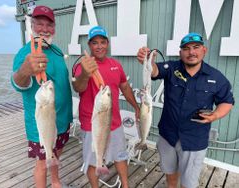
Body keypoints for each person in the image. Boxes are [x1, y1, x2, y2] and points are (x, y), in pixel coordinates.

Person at [137, 33, 234, 188]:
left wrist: (215, 115)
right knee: (170, 176)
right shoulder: (171, 68)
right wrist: (148, 62)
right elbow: (154, 71)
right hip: (168, 136)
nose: (191, 52)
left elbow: (227, 102)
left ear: (204, 50)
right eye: (186, 48)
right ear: (180, 52)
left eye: (196, 47)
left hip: (194, 140)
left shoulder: (216, 77)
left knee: (188, 184)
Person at [11, 5, 72, 188]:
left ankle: (55, 183)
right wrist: (24, 71)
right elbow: (17, 83)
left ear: (54, 28)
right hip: (42, 125)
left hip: (62, 120)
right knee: (41, 165)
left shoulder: (57, 51)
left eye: (49, 25)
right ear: (31, 24)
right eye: (39, 24)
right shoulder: (25, 54)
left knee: (55, 155)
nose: (45, 29)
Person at [72, 26, 140, 188]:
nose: (99, 46)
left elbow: (124, 86)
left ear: (107, 43)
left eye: (102, 42)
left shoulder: (115, 64)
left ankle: (125, 185)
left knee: (120, 156)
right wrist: (85, 74)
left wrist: (136, 107)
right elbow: (78, 88)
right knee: (93, 160)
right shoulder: (83, 66)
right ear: (89, 45)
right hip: (91, 124)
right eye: (95, 43)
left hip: (114, 121)